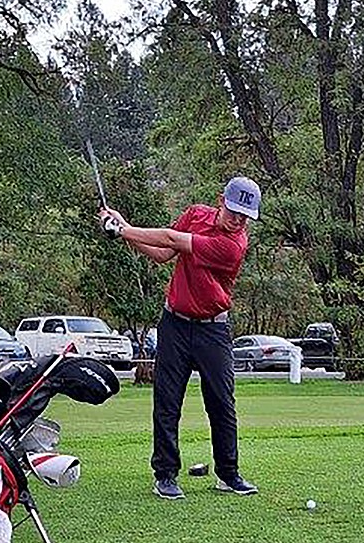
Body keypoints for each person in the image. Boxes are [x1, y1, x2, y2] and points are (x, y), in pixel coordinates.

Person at [99, 176, 261, 499]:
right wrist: (124, 231)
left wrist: (121, 229)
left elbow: (173, 239)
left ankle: (227, 474)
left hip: (213, 329)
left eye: (245, 215)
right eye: (234, 211)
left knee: (221, 403)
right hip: (174, 323)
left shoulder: (233, 246)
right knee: (167, 401)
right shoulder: (196, 214)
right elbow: (163, 253)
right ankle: (166, 475)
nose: (238, 219)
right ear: (221, 201)